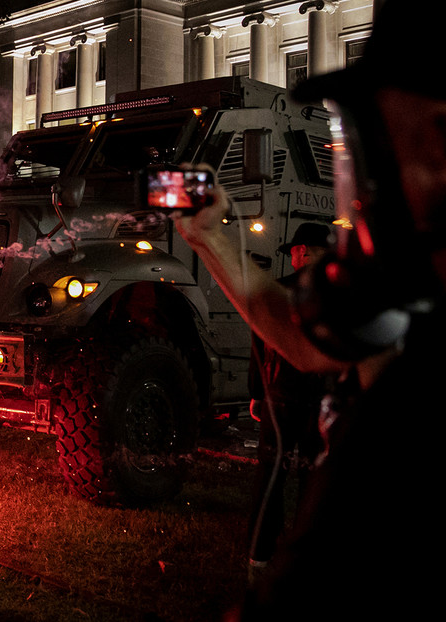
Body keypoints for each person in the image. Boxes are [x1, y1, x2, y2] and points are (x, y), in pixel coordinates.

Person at [172, 1, 445, 617]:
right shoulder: (397, 300)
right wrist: (212, 239)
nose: (353, 173)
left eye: (363, 140)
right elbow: (300, 338)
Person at [245, 223, 331, 586]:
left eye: (301, 249)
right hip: (307, 397)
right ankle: (291, 555)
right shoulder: (335, 295)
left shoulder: (282, 290)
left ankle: (261, 555)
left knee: (274, 477)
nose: (298, 254)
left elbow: (259, 341)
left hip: (286, 398)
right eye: (296, 250)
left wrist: (256, 392)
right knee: (309, 479)